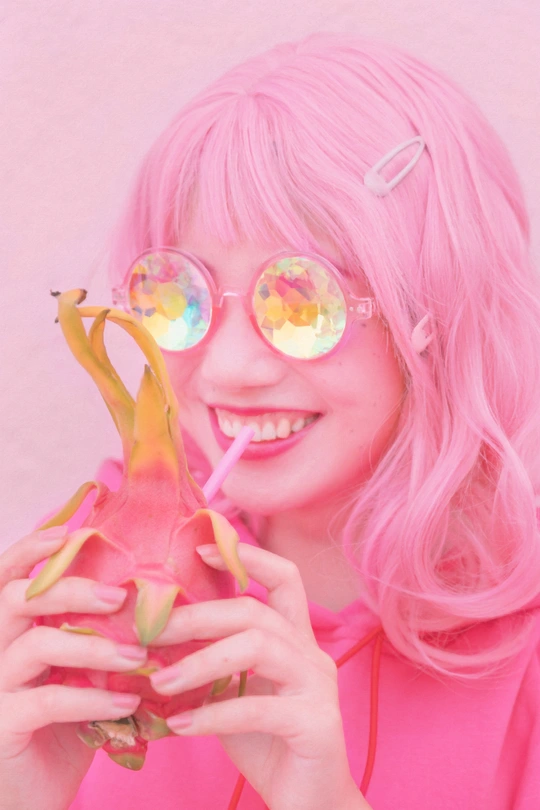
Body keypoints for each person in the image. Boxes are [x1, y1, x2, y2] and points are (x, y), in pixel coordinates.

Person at [1, 30, 540, 810]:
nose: (228, 368)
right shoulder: (80, 597)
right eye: (178, 293)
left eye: (302, 300)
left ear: (435, 314)